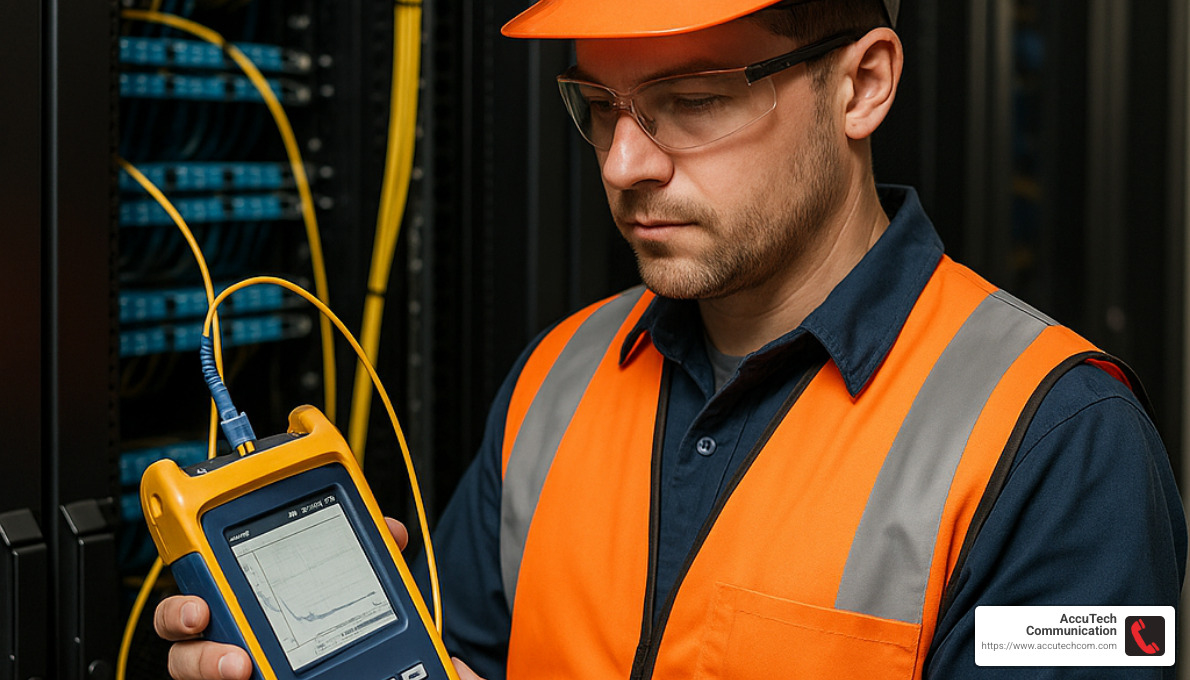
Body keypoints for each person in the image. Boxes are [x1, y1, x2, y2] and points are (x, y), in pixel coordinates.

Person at [156, 0, 1187, 678]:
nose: (622, 163)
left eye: (689, 103)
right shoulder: (555, 379)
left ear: (862, 85)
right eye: (599, 108)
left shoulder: (1062, 439)